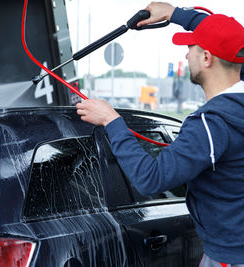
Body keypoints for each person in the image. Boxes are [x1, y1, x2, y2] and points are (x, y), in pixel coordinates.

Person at [76, 2, 244, 267]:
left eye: (190, 48)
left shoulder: (211, 124)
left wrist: (112, 121)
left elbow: (151, 179)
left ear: (207, 58)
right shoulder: (237, 105)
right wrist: (173, 14)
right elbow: (232, 45)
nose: (186, 55)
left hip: (230, 258)